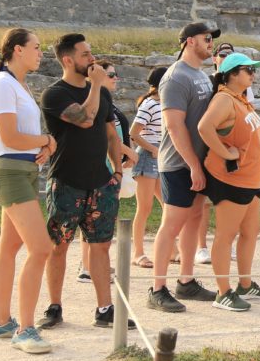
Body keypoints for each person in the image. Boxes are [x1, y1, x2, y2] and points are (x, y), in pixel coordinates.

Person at [37, 33, 134, 331]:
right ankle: (54, 306)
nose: (92, 59)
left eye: (91, 53)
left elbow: (109, 135)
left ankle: (105, 309)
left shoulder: (102, 93)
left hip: (101, 184)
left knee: (101, 247)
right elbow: (85, 118)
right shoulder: (55, 95)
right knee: (58, 247)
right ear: (68, 60)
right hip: (67, 182)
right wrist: (95, 85)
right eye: (85, 54)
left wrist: (117, 172)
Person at [0, 28, 57, 354]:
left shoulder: (18, 84)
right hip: (10, 171)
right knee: (41, 249)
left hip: (24, 171)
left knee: (10, 247)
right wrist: (46, 140)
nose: (41, 53)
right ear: (17, 50)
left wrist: (44, 147)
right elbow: (9, 137)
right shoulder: (2, 85)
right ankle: (25, 329)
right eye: (36, 47)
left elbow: (22, 135)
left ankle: (2, 322)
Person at [147, 22, 220, 313]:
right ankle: (157, 288)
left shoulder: (199, 73)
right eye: (206, 38)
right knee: (172, 224)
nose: (210, 42)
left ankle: (186, 280)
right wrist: (193, 166)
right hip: (179, 164)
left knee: (193, 219)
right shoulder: (175, 77)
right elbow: (174, 127)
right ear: (190, 41)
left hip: (197, 162)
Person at [197, 52, 260, 311]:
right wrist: (225, 152)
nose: (253, 73)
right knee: (226, 236)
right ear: (232, 74)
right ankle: (223, 292)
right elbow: (204, 127)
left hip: (250, 180)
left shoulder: (241, 101)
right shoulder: (224, 99)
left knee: (250, 233)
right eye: (248, 69)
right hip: (232, 180)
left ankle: (245, 283)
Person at [78, 61, 138, 283]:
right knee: (94, 218)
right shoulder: (95, 102)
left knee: (101, 219)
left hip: (110, 168)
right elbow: (104, 135)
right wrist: (129, 153)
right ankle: (88, 267)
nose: (115, 78)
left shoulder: (107, 102)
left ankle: (94, 264)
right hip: (99, 168)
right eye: (111, 74)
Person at [129, 67, 167, 268]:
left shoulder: (165, 104)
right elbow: (134, 133)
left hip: (162, 157)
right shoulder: (149, 104)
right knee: (144, 208)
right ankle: (138, 253)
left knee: (168, 205)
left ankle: (172, 249)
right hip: (149, 157)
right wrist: (153, 149)